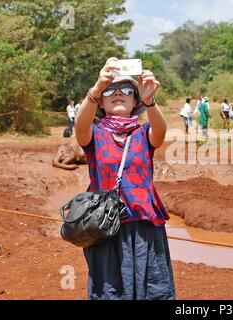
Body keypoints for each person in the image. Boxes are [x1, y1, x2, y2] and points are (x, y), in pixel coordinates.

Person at [74, 57, 175, 300]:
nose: (118, 93)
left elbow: (161, 132)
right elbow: (80, 126)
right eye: (110, 89)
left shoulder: (144, 134)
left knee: (151, 291)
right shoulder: (94, 135)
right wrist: (97, 87)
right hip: (106, 229)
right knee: (110, 293)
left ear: (134, 99)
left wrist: (151, 100)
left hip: (144, 230)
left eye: (127, 89)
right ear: (101, 102)